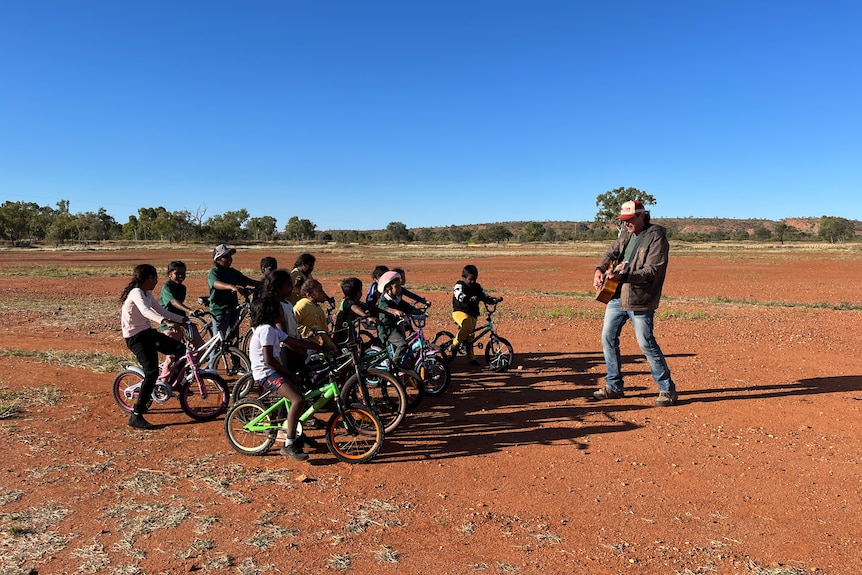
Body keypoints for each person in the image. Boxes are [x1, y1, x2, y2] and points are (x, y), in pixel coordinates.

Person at [591, 200, 678, 407]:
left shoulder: (656, 237)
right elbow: (611, 253)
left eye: (630, 220)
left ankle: (667, 389)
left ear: (642, 216)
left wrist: (623, 276)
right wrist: (599, 269)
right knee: (608, 338)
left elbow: (652, 271)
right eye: (624, 220)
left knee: (646, 343)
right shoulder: (625, 234)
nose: (626, 224)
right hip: (616, 295)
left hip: (640, 298)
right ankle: (614, 387)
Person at [120, 264, 188, 430]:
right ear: (149, 278)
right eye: (155, 277)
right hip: (135, 338)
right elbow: (145, 311)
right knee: (151, 372)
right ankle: (136, 415)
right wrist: (165, 322)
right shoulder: (136, 292)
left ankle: (173, 383)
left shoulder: (147, 293)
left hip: (147, 333)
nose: (157, 281)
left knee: (180, 349)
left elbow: (162, 311)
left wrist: (183, 320)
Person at [247, 294, 309, 461]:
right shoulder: (266, 330)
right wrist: (289, 375)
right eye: (281, 309)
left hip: (271, 370)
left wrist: (319, 346)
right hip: (266, 373)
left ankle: (295, 433)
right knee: (297, 400)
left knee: (298, 395)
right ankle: (288, 444)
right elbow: (269, 360)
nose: (284, 312)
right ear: (273, 312)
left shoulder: (272, 329)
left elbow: (294, 342)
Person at [207, 244, 261, 356]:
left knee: (234, 337)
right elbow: (215, 283)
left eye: (230, 256)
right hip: (219, 310)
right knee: (218, 340)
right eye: (226, 256)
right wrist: (233, 287)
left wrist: (265, 284)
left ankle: (236, 365)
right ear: (217, 259)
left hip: (233, 308)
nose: (229, 259)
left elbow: (248, 281)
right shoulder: (214, 271)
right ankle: (212, 366)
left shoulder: (232, 272)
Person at [451, 264, 501, 366]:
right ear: (464, 277)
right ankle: (454, 344)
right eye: (470, 279)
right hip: (460, 311)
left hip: (473, 314)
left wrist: (494, 300)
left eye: (475, 279)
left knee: (471, 336)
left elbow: (485, 296)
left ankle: (471, 359)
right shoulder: (459, 285)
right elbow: (459, 295)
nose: (473, 281)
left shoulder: (477, 287)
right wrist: (468, 299)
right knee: (468, 326)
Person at [376, 271, 418, 369]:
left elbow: (407, 307)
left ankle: (403, 359)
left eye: (400, 286)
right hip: (387, 329)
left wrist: (420, 312)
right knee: (403, 344)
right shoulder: (384, 300)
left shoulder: (396, 299)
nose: (399, 288)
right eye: (397, 286)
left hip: (396, 326)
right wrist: (394, 311)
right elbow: (384, 308)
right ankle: (394, 365)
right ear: (389, 288)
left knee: (409, 334)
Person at [159, 260, 204, 351]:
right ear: (170, 274)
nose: (181, 276)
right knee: (172, 355)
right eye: (177, 273)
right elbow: (173, 302)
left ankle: (192, 364)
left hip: (182, 321)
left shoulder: (183, 288)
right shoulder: (167, 287)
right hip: (170, 324)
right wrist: (189, 310)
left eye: (183, 273)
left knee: (200, 347)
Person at [293, 278, 337, 350]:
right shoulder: (302, 305)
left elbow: (323, 332)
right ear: (309, 294)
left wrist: (333, 347)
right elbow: (291, 324)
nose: (323, 293)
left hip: (315, 345)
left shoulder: (319, 309)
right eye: (320, 291)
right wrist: (307, 331)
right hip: (304, 345)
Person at [333, 277, 377, 348]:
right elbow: (354, 308)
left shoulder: (356, 302)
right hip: (341, 334)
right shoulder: (346, 302)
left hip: (349, 331)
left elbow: (369, 307)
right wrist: (367, 317)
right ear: (358, 293)